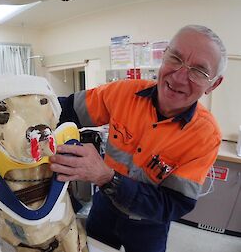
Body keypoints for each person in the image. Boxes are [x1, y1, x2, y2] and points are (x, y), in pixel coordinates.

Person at [49, 25, 227, 252]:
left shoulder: (206, 136)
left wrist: (105, 177)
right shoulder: (123, 93)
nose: (180, 77)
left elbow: (170, 204)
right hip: (104, 208)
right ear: (164, 57)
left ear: (214, 84)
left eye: (199, 71)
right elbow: (66, 109)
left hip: (149, 226)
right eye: (175, 58)